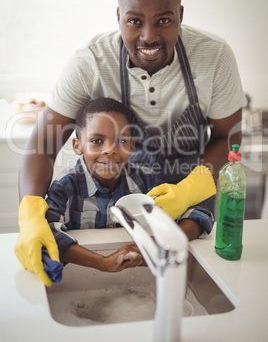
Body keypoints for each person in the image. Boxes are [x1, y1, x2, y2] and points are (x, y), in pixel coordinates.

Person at [15, 0, 244, 285]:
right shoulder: (89, 63)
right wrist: (30, 214)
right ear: (118, 17)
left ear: (180, 14)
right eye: (134, 21)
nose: (148, 37)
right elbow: (42, 145)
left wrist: (189, 191)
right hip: (124, 204)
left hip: (188, 207)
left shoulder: (215, 57)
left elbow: (228, 138)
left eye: (164, 20)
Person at [45, 97, 214, 273]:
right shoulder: (65, 187)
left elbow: (199, 215)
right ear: (77, 146)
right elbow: (48, 235)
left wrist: (153, 245)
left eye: (121, 141)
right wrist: (103, 262)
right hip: (80, 276)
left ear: (132, 146)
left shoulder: (145, 181)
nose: (110, 149)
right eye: (97, 141)